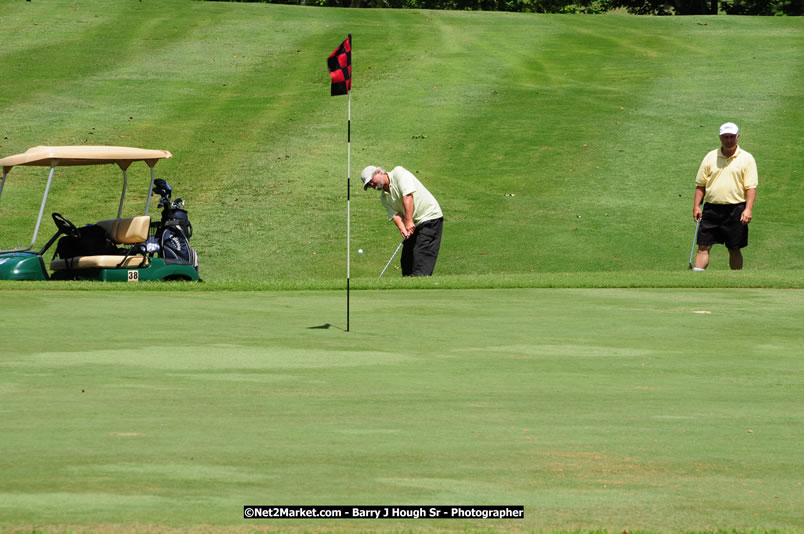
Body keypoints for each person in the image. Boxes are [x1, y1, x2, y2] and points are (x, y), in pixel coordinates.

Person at [692, 122, 758, 271]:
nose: (729, 140)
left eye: (732, 137)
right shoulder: (710, 157)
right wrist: (696, 206)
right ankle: (696, 281)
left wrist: (748, 209)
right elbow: (700, 185)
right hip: (711, 208)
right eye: (725, 137)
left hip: (736, 209)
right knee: (703, 246)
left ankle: (736, 281)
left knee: (734, 247)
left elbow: (751, 187)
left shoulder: (746, 158)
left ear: (737, 137)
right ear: (720, 138)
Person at [361, 165, 443, 276]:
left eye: (371, 180)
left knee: (421, 255)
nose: (372, 184)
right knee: (406, 259)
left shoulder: (398, 173)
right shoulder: (384, 198)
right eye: (369, 185)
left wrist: (409, 221)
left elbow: (407, 196)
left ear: (379, 172)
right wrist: (402, 228)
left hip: (429, 217)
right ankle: (407, 287)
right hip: (415, 223)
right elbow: (395, 215)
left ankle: (419, 285)